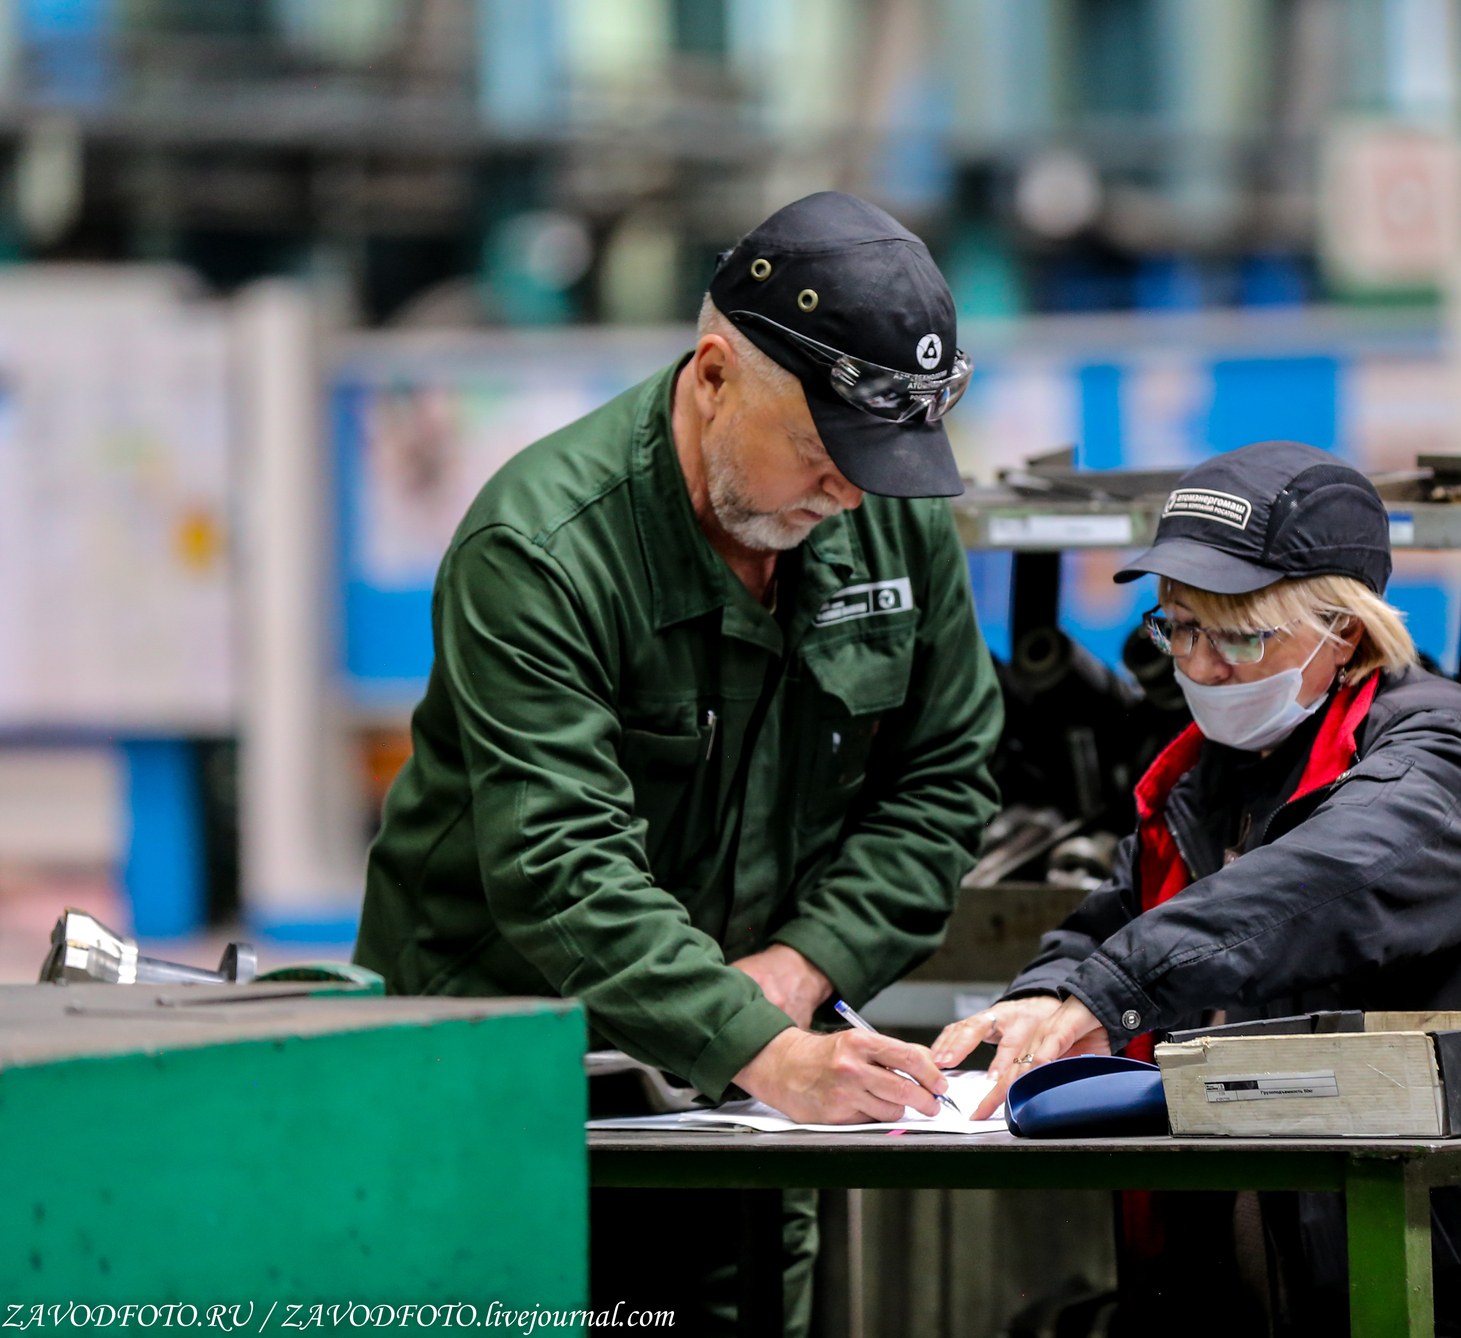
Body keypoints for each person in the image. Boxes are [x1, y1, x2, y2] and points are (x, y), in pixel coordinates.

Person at [354, 192, 1001, 1334]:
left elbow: (943, 772)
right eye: (819, 449)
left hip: (734, 1110)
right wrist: (758, 1045)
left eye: (874, 462)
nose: (846, 491)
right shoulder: (544, 551)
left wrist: (804, 965)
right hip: (501, 1090)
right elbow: (558, 864)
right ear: (712, 374)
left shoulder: (884, 523)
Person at [934, 441, 1461, 1337]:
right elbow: (1115, 920)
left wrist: (1116, 986)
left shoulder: (1438, 757)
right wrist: (1046, 995)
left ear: (1344, 632)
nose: (1201, 669)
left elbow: (1319, 887)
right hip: (1275, 1279)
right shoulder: (1207, 780)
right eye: (1179, 628)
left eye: (1239, 635)